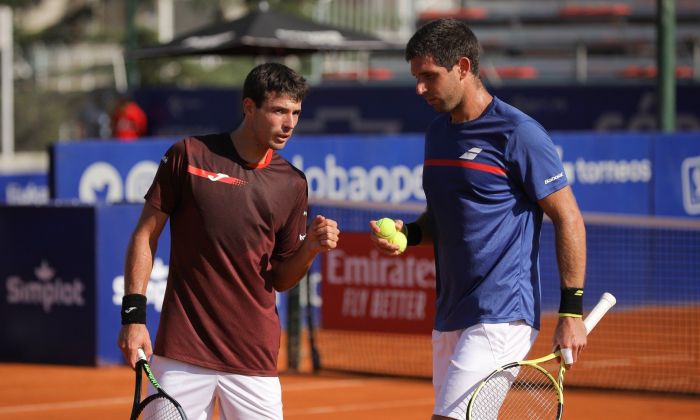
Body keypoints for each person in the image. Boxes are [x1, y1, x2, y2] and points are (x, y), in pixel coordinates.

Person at [369, 19, 587, 420]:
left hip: (501, 313)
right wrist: (411, 233)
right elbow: (445, 216)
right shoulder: (437, 133)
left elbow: (568, 217)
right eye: (416, 77)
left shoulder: (519, 133)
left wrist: (571, 312)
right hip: (450, 311)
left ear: (463, 67)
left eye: (429, 77)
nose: (420, 89)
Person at [117, 62, 340, 419]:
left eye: (296, 112)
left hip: (254, 359)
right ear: (248, 107)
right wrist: (133, 316)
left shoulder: (293, 184)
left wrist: (310, 248)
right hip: (182, 354)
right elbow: (145, 235)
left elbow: (281, 278)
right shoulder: (187, 156)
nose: (289, 124)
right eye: (279, 111)